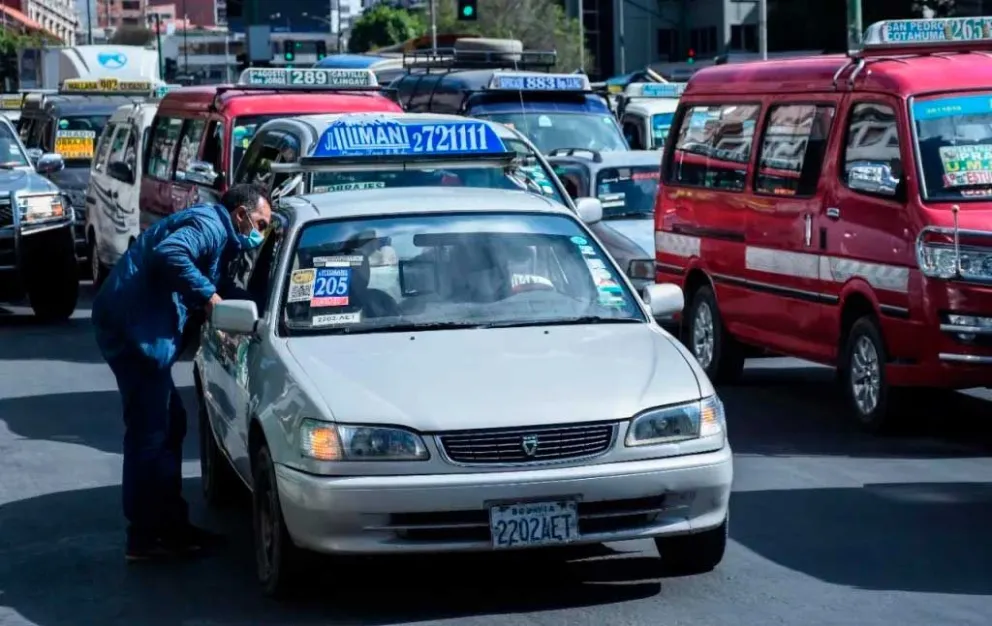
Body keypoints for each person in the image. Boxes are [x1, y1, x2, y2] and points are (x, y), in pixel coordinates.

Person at [92, 183, 273, 562]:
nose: (260, 232)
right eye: (259, 222)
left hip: (135, 328)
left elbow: (219, 281)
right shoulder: (210, 225)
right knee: (150, 433)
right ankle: (145, 535)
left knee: (170, 423)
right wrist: (209, 298)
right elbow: (171, 254)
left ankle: (169, 525)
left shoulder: (222, 236)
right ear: (240, 214)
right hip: (133, 331)